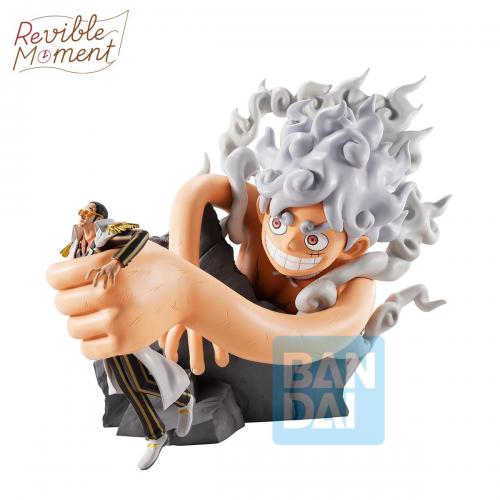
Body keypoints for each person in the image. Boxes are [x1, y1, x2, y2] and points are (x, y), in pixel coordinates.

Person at [60, 201, 195, 470]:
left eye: (88, 211)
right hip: (99, 319)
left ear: (98, 217)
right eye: (81, 211)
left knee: (133, 379)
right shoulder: (77, 245)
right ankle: (175, 410)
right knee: (128, 380)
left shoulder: (105, 238)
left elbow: (141, 236)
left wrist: (116, 262)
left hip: (121, 314)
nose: (82, 214)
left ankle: (162, 427)